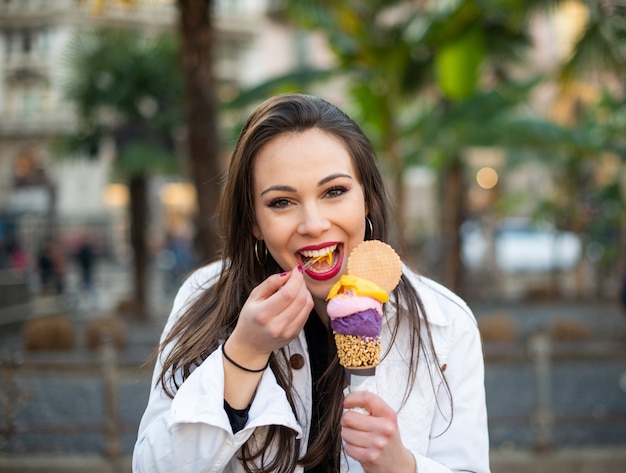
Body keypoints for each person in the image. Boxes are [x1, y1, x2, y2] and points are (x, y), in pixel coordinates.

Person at [133, 94, 490, 473]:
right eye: (281, 202)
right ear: (254, 220)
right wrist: (244, 354)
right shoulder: (203, 297)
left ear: (366, 198)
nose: (314, 224)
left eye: (334, 192)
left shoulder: (445, 324)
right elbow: (153, 466)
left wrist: (403, 467)